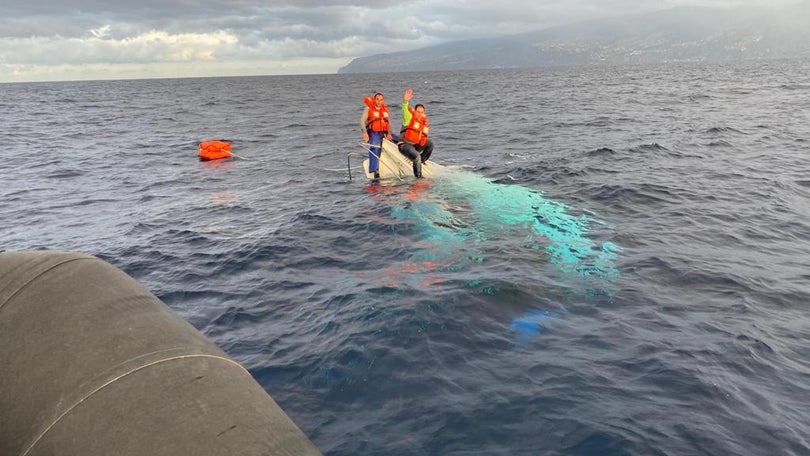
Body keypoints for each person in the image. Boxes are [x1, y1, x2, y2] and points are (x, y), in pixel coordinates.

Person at [397, 88, 434, 178]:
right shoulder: (409, 118)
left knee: (430, 144)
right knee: (417, 156)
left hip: (415, 146)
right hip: (405, 145)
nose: (419, 114)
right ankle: (418, 177)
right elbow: (405, 109)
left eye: (421, 112)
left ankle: (421, 161)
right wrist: (405, 101)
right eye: (418, 112)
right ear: (415, 111)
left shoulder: (422, 122)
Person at [360, 92, 392, 179]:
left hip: (384, 132)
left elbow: (388, 123)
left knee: (398, 141)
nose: (379, 102)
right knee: (375, 146)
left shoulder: (384, 110)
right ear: (375, 100)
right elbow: (362, 121)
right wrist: (364, 133)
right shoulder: (368, 108)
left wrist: (389, 134)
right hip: (374, 131)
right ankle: (375, 170)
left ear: (383, 101)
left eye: (381, 100)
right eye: (377, 99)